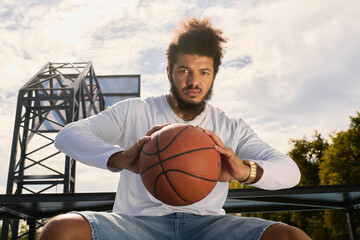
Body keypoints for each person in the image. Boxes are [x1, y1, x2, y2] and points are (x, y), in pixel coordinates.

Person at [40, 18, 310, 240]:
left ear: (214, 74)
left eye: (204, 72)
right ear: (169, 71)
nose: (194, 81)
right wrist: (120, 158)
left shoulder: (231, 126)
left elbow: (291, 172)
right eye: (184, 71)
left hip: (208, 227)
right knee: (61, 230)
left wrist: (244, 170)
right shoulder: (135, 110)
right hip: (136, 225)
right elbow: (68, 135)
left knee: (292, 238)